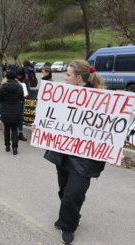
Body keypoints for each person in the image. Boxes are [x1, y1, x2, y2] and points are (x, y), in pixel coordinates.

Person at [41, 60, 106, 244]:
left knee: (73, 194)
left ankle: (68, 226)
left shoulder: (101, 100)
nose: (65, 78)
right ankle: (70, 216)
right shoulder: (61, 95)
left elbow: (108, 128)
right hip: (64, 152)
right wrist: (42, 125)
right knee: (64, 190)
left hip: (85, 158)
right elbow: (52, 117)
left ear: (78, 78)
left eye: (68, 75)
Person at [0, 71, 24, 155]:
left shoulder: (3, 87)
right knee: (14, 129)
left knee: (7, 129)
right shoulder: (19, 86)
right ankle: (15, 147)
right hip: (16, 111)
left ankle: (7, 146)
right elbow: (21, 98)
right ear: (15, 77)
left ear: (7, 78)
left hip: (5, 111)